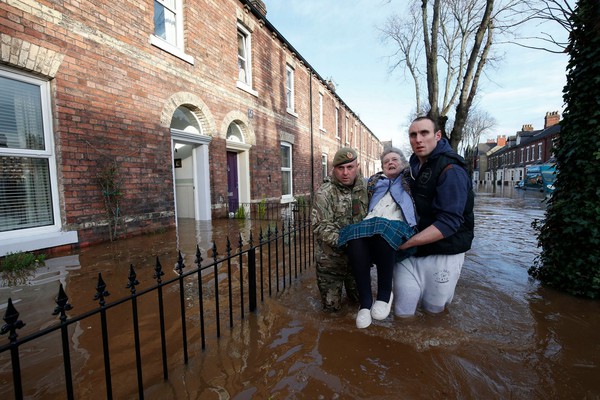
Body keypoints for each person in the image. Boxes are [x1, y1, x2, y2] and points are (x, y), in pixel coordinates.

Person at [394, 116, 475, 317]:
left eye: (424, 133)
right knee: (402, 312)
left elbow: (449, 222)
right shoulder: (413, 165)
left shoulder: (451, 169)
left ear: (437, 135)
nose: (418, 140)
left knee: (434, 315)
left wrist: (406, 243)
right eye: (413, 135)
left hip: (443, 253)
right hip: (411, 253)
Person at [338, 147, 417, 328]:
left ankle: (384, 293)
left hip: (398, 224)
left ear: (403, 163)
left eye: (395, 159)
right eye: (386, 161)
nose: (390, 163)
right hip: (372, 222)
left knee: (383, 230)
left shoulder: (411, 179)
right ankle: (365, 303)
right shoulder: (373, 182)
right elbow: (348, 179)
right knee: (353, 236)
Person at [312, 147, 368, 312]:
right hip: (330, 262)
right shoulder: (325, 193)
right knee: (331, 312)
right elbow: (320, 225)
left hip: (357, 261)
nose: (345, 173)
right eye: (340, 168)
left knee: (360, 305)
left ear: (357, 167)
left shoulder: (365, 188)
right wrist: (349, 242)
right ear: (334, 169)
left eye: (350, 167)